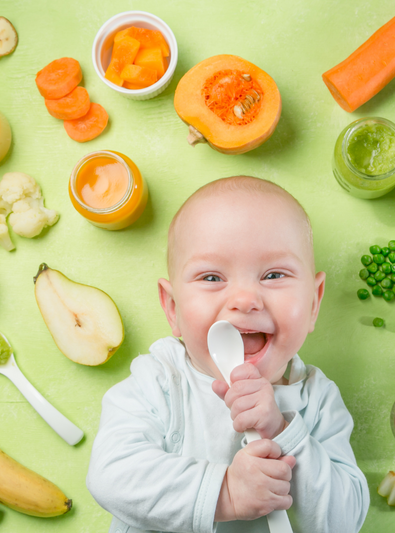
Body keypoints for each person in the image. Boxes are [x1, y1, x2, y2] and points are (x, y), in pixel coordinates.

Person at [87, 176, 369, 533]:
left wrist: (282, 432)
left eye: (273, 274)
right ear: (172, 308)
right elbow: (111, 475)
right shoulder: (158, 380)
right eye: (211, 278)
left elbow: (346, 521)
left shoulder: (317, 400)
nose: (245, 299)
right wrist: (225, 493)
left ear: (313, 303)